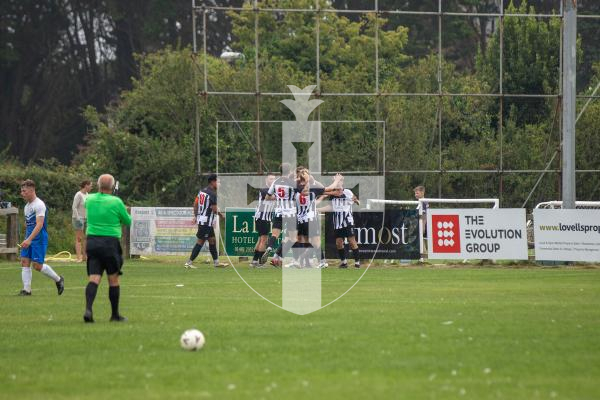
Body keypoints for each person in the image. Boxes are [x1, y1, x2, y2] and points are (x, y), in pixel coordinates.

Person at [83, 174, 131, 323]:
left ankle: (89, 309)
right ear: (112, 186)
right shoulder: (116, 202)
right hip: (110, 243)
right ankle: (115, 315)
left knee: (94, 278)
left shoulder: (89, 199)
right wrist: (123, 209)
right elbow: (127, 221)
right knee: (113, 279)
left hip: (92, 242)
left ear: (98, 185)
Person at [18, 180, 65, 296]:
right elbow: (29, 223)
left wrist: (29, 239)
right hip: (29, 237)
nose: (22, 193)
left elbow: (39, 224)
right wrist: (26, 237)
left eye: (24, 191)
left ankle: (58, 279)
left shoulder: (39, 204)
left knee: (37, 266)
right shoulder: (26, 206)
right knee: (24, 261)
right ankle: (26, 290)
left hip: (38, 239)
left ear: (32, 190)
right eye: (21, 191)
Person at [260, 163, 298, 267]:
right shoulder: (292, 183)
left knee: (275, 234)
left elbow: (268, 197)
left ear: (280, 172)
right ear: (289, 171)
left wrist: (277, 197)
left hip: (279, 211)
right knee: (292, 237)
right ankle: (280, 256)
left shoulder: (276, 182)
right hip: (290, 212)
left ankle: (270, 248)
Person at [185, 174, 226, 269]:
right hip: (206, 222)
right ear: (213, 182)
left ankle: (216, 263)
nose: (219, 184)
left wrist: (196, 216)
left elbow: (195, 204)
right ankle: (189, 262)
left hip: (204, 221)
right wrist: (221, 215)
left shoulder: (202, 192)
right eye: (218, 182)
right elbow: (214, 209)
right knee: (200, 241)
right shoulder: (212, 194)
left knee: (212, 240)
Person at [326, 176, 361, 268]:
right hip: (337, 222)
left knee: (351, 241)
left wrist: (356, 201)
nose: (337, 183)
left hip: (347, 220)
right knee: (339, 242)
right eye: (335, 181)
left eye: (339, 181)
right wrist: (317, 209)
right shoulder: (332, 195)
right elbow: (331, 207)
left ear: (342, 182)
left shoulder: (347, 192)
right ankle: (344, 262)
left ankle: (357, 263)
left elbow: (356, 200)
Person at [251, 174, 276, 267]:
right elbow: (273, 197)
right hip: (262, 217)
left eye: (274, 179)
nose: (273, 180)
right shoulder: (264, 189)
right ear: (266, 179)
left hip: (264, 217)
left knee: (260, 239)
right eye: (271, 178)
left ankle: (254, 261)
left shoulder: (273, 189)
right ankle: (261, 263)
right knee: (264, 240)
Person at [72, 179, 92, 262]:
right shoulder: (78, 195)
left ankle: (85, 257)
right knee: (79, 238)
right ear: (86, 185)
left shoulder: (87, 195)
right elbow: (74, 207)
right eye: (90, 185)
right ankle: (78, 257)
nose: (91, 187)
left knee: (86, 238)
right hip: (78, 219)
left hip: (86, 219)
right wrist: (78, 218)